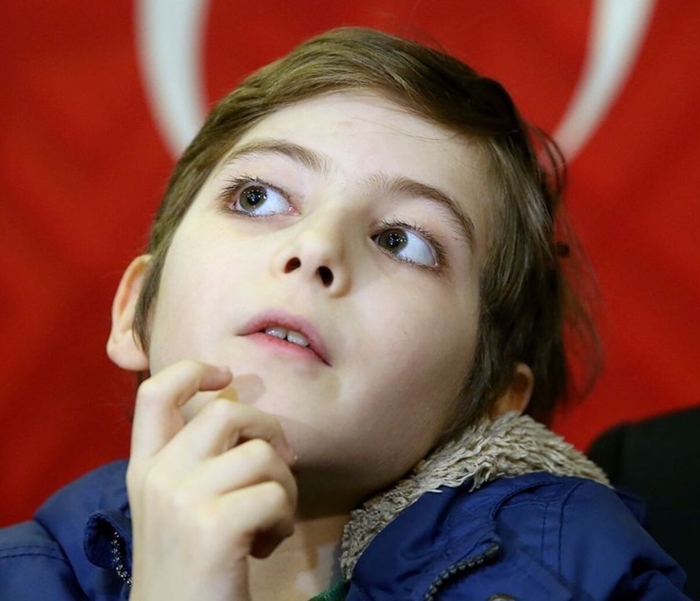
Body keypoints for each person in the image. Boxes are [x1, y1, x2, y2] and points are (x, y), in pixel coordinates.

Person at [0, 27, 689, 600]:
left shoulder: (584, 578)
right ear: (134, 309)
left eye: (402, 241)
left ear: (491, 401)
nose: (317, 247)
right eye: (258, 198)